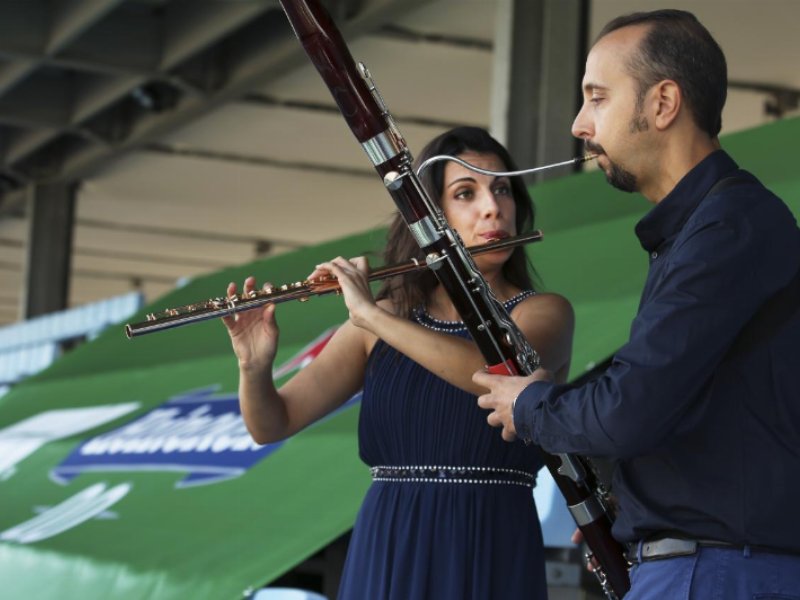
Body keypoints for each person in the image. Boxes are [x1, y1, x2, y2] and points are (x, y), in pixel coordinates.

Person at [474, 9, 800, 600]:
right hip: (710, 567)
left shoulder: (728, 228)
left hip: (717, 573)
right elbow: (682, 413)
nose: (578, 124)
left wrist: (532, 405)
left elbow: (628, 409)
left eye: (597, 98)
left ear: (663, 103)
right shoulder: (709, 228)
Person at [223, 126, 574, 599]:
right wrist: (253, 366)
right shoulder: (385, 321)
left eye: (502, 189)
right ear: (429, 218)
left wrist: (369, 314)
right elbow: (272, 422)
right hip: (388, 542)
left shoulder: (543, 311)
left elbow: (494, 374)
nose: (492, 207)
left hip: (492, 541)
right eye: (465, 193)